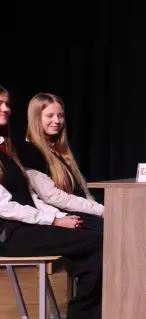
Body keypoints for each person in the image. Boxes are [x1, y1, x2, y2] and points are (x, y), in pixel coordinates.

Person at [0, 86, 104, 319]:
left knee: (94, 238)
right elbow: (6, 207)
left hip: (27, 226)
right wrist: (53, 220)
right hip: (10, 234)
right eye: (0, 104)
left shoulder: (5, 150)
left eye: (7, 103)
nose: (6, 108)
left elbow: (30, 198)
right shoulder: (22, 151)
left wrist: (58, 216)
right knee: (96, 241)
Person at [17, 93, 104, 227]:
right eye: (50, 116)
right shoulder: (30, 151)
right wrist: (100, 210)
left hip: (83, 214)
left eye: (60, 116)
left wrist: (98, 208)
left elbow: (82, 191)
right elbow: (52, 196)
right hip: (65, 220)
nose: (57, 121)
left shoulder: (59, 150)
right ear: (36, 118)